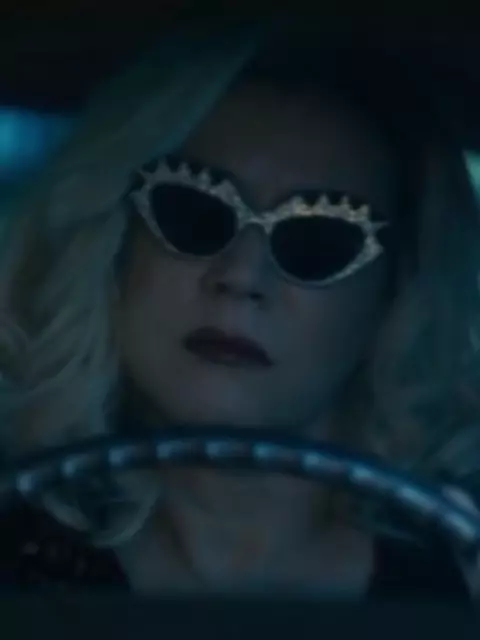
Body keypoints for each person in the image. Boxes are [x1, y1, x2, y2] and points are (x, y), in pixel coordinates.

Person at [0, 16, 479, 600]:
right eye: (192, 211)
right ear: (112, 244)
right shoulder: (16, 551)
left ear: (395, 293)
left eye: (319, 238)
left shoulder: (461, 570)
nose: (241, 276)